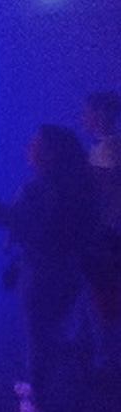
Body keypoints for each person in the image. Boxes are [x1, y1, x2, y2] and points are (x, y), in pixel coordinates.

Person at [0, 124, 99, 412]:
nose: (29, 147)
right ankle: (37, 383)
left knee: (38, 335)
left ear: (49, 153)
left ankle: (37, 401)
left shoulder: (36, 189)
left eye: (35, 143)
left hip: (39, 270)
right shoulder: (83, 186)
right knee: (50, 330)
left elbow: (4, 216)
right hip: (71, 269)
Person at [81, 91, 121, 374]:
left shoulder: (110, 150)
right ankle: (91, 345)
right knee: (93, 289)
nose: (83, 116)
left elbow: (106, 192)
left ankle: (104, 358)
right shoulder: (104, 148)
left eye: (88, 111)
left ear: (102, 114)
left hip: (106, 232)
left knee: (100, 292)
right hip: (104, 230)